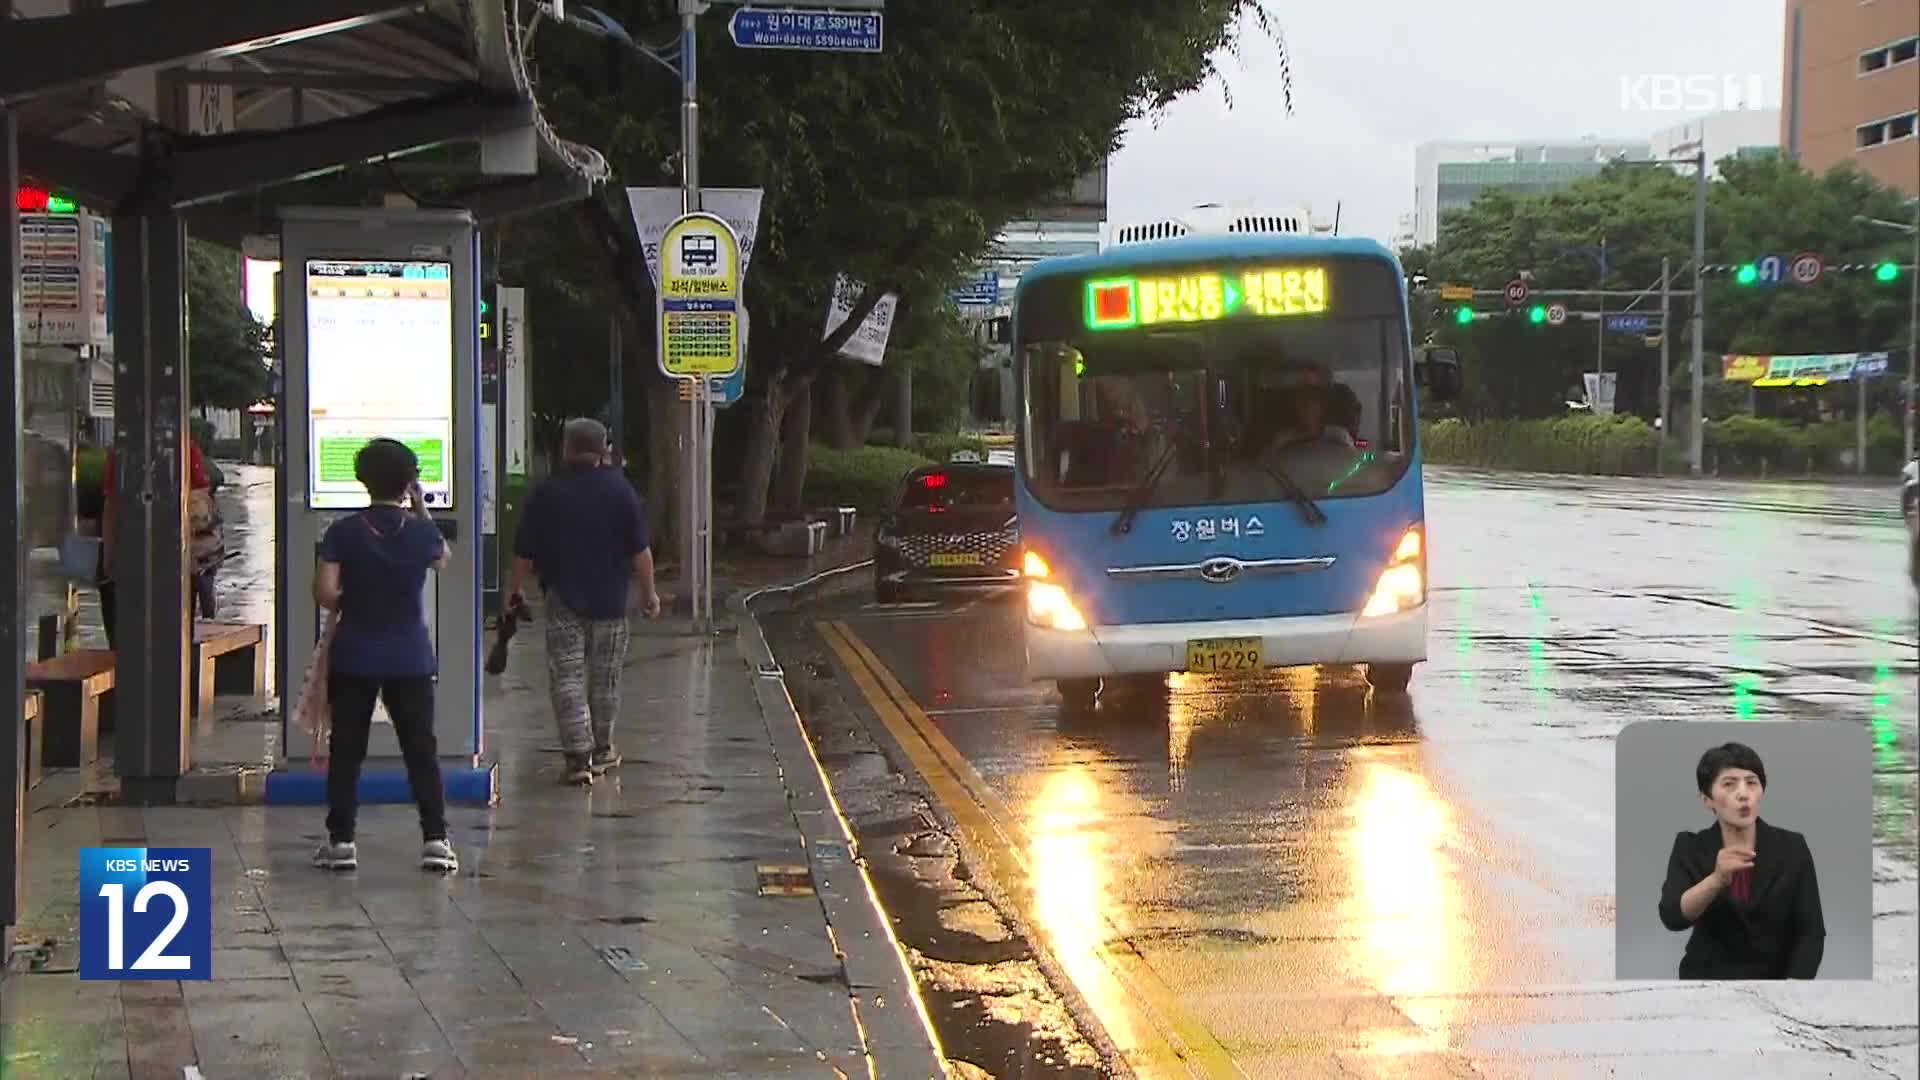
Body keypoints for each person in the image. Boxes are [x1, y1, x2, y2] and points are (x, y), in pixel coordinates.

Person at [310, 438, 457, 873]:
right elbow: (442, 558)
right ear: (408, 482)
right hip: (410, 656)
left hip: (354, 653)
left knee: (348, 749)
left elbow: (324, 592)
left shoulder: (343, 532)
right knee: (419, 748)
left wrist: (350, 600)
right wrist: (421, 507)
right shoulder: (420, 532)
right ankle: (435, 838)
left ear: (361, 478)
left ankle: (341, 841)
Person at [508, 418, 661, 787]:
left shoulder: (546, 493)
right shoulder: (621, 491)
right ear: (604, 448)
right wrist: (648, 593)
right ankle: (603, 749)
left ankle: (578, 758)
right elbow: (640, 550)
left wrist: (515, 592)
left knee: (568, 676)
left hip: (563, 598)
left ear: (566, 448)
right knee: (605, 678)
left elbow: (524, 554)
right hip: (611, 601)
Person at [1657, 742, 1824, 979]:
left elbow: (1811, 933)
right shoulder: (1690, 847)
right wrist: (1715, 880)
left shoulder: (1792, 847)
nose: (1743, 793)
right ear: (1707, 799)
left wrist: (1792, 991)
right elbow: (1672, 916)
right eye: (1729, 784)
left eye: (1751, 782)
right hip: (1706, 980)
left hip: (1775, 983)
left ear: (1762, 791)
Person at [98, 439, 222, 647]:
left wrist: (108, 558)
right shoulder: (184, 449)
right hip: (172, 561)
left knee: (129, 638)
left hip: (135, 558)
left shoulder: (122, 453)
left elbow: (111, 507)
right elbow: (201, 506)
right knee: (173, 639)